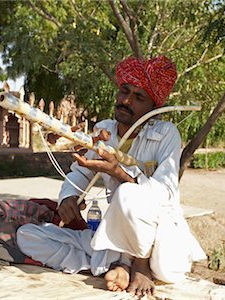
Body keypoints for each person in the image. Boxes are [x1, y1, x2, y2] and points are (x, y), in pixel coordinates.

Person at [17, 56, 206, 296]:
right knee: (27, 236)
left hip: (160, 241)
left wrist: (119, 172)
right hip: (118, 236)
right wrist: (68, 198)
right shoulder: (102, 130)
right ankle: (113, 267)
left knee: (129, 196)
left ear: (153, 108)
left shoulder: (166, 133)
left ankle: (139, 265)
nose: (126, 101)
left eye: (138, 97)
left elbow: (166, 193)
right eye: (124, 91)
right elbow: (81, 173)